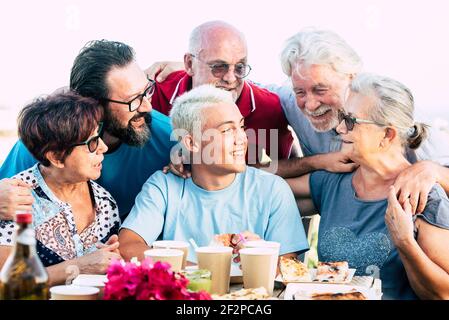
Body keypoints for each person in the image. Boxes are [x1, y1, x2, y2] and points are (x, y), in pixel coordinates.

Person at [287, 73, 449, 299]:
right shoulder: (334, 181)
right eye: (342, 117)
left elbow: (443, 294)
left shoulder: (423, 197)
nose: (340, 128)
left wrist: (404, 242)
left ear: (387, 134)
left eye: (351, 121)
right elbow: (269, 189)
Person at [118, 85, 309, 263]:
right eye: (227, 130)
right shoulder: (164, 187)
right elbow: (128, 246)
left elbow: (287, 265)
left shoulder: (273, 189)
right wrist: (201, 273)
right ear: (191, 143)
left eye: (241, 127)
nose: (242, 139)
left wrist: (260, 254)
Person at [0, 40, 176, 220]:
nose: (147, 107)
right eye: (133, 100)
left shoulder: (170, 136)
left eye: (147, 91)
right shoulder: (47, 140)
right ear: (92, 103)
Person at [0, 92, 122, 286]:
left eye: (99, 137)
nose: (104, 147)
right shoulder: (16, 199)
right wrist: (79, 267)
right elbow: (6, 282)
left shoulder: (105, 202)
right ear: (56, 157)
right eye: (91, 143)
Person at [149, 20, 294, 164]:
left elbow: (275, 169)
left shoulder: (269, 109)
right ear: (189, 64)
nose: (230, 79)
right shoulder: (152, 93)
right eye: (218, 67)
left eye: (239, 67)